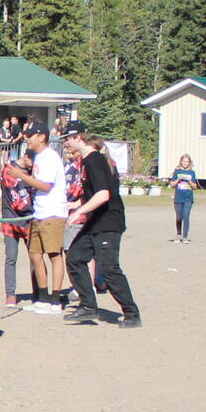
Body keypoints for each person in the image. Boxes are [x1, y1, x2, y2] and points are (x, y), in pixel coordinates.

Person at [62, 123, 141, 328]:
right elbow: (94, 193)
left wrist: (79, 212)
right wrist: (75, 204)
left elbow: (103, 195)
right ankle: (88, 305)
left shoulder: (94, 160)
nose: (65, 143)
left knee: (109, 269)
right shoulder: (87, 161)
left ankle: (132, 314)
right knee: (75, 257)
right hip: (95, 221)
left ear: (78, 138)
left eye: (67, 139)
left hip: (108, 222)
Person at [17, 125, 69, 314]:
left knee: (54, 254)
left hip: (52, 212)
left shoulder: (50, 157)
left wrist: (21, 176)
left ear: (41, 136)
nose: (27, 138)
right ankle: (42, 297)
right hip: (39, 212)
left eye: (31, 135)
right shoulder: (38, 157)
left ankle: (55, 301)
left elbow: (46, 186)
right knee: (35, 255)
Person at [0, 143, 34, 307]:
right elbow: (17, 198)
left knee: (35, 257)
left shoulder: (32, 172)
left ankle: (39, 292)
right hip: (12, 219)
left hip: (30, 220)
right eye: (33, 161)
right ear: (26, 157)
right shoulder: (10, 170)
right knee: (11, 258)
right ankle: (10, 294)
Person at [169, 155, 196, 243]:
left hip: (188, 198)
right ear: (181, 162)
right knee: (179, 216)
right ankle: (178, 234)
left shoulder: (192, 172)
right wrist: (178, 179)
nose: (185, 163)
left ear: (189, 162)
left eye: (187, 161)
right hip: (178, 198)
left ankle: (185, 236)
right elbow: (172, 185)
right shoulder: (177, 171)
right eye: (183, 161)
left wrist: (189, 181)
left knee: (186, 215)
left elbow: (195, 186)